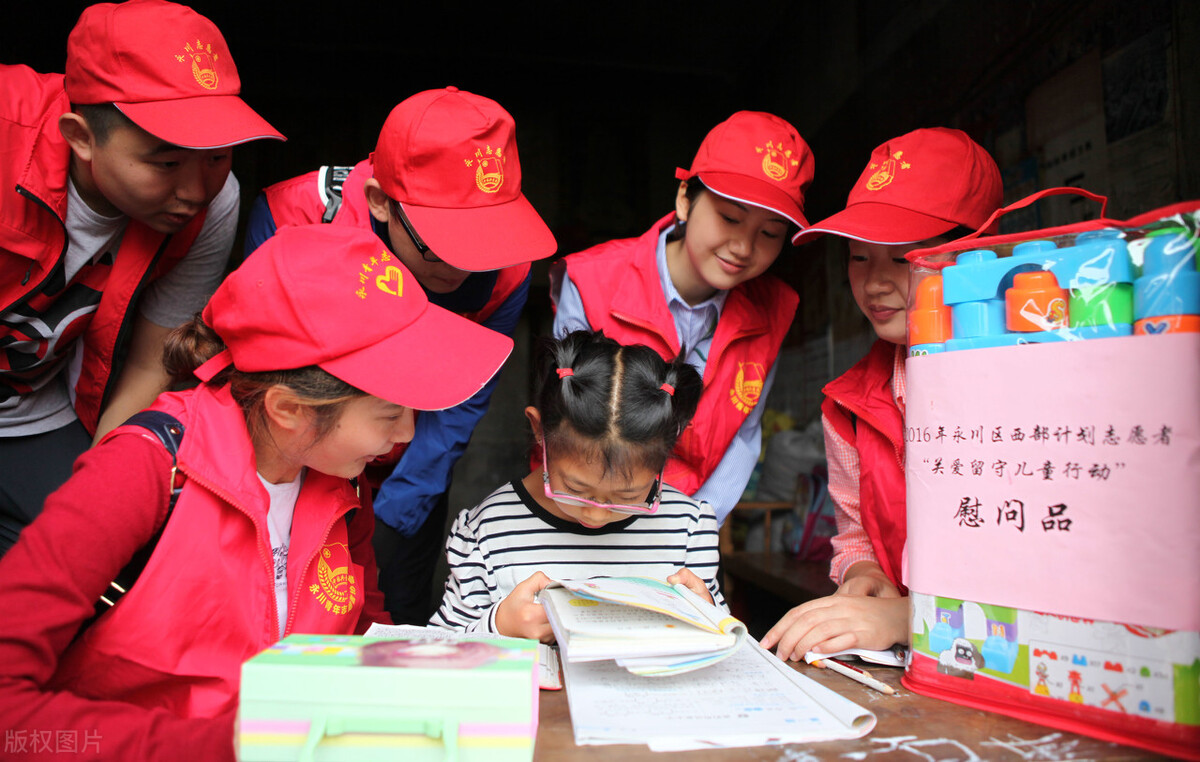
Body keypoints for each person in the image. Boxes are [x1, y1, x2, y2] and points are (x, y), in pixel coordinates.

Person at [0, 224, 514, 761]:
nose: (407, 434)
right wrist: (235, 746)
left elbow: (362, 630)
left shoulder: (341, 482)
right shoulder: (144, 471)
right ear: (289, 410)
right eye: (390, 412)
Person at [245, 86, 556, 624]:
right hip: (293, 452)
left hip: (410, 461)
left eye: (482, 241)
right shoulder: (294, 218)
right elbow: (255, 373)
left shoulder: (508, 270)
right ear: (380, 202)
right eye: (441, 244)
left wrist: (402, 503)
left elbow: (464, 395)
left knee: (396, 606)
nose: (462, 268)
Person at [0, 0, 285, 556]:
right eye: (165, 163)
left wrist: (96, 497)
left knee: (97, 555)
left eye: (217, 157)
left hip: (31, 411)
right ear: (80, 137)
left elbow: (152, 361)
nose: (197, 189)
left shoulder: (211, 203)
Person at [760, 127, 1003, 662]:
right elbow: (856, 534)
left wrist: (904, 616)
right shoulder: (848, 407)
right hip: (915, 666)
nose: (873, 284)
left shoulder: (1032, 380)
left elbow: (1047, 564)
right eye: (859, 257)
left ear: (978, 253)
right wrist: (863, 571)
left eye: (902, 258)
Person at [550, 110, 812, 526]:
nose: (743, 246)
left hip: (686, 528)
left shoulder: (773, 310)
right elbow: (567, 416)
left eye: (770, 233)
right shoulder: (593, 279)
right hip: (581, 510)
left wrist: (695, 528)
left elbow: (744, 435)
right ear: (684, 198)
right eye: (730, 218)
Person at [430, 330, 721, 640]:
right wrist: (499, 625)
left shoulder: (689, 527)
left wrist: (708, 617)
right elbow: (442, 647)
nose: (596, 515)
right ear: (540, 431)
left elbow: (728, 643)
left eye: (628, 495)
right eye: (576, 489)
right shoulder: (487, 530)